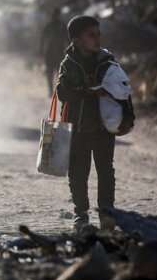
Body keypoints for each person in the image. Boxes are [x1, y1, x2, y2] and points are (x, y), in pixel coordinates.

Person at [56, 15, 134, 232]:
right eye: (91, 35)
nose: (97, 38)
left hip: (103, 128)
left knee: (106, 171)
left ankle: (107, 213)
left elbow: (123, 91)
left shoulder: (108, 61)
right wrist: (90, 93)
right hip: (78, 127)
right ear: (77, 40)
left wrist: (128, 116)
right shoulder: (68, 64)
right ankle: (81, 214)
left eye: (98, 34)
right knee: (78, 172)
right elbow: (64, 94)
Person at [40, 8, 69, 95]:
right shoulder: (48, 26)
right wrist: (41, 50)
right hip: (49, 52)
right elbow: (43, 38)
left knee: (60, 73)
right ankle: (50, 90)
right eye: (53, 16)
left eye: (56, 15)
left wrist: (71, 49)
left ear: (58, 16)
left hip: (60, 52)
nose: (54, 17)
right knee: (50, 72)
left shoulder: (62, 26)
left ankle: (61, 90)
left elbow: (67, 39)